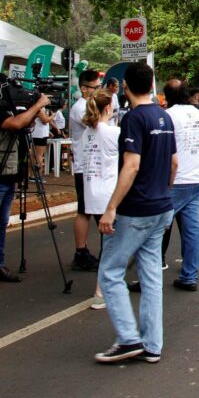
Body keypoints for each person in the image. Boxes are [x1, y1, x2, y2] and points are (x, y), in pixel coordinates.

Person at [95, 62, 177, 364]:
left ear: (126, 86)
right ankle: (152, 345)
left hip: (136, 209)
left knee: (110, 271)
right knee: (151, 275)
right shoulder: (164, 116)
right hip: (161, 207)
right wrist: (163, 191)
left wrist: (111, 207)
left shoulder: (133, 118)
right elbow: (174, 164)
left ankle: (129, 338)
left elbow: (131, 165)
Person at [0, 75, 51, 288]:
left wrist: (33, 109)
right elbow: (16, 124)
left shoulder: (5, 109)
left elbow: (25, 123)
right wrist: (39, 105)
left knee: (1, 223)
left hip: (9, 173)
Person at [160, 81, 199, 291]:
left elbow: (163, 150)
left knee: (155, 230)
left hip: (175, 180)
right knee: (192, 230)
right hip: (196, 178)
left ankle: (147, 278)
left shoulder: (168, 115)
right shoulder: (198, 113)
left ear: (166, 96)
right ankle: (189, 276)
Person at [80, 91, 119, 309]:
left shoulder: (87, 133)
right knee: (111, 245)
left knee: (111, 242)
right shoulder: (113, 132)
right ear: (107, 108)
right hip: (109, 195)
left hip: (92, 193)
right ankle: (100, 291)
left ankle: (108, 285)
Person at [70, 69, 104, 272]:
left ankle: (88, 251)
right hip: (86, 166)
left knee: (94, 209)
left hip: (96, 165)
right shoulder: (80, 107)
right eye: (96, 87)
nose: (99, 90)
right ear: (84, 89)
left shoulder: (91, 105)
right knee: (85, 210)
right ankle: (80, 252)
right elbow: (96, 124)